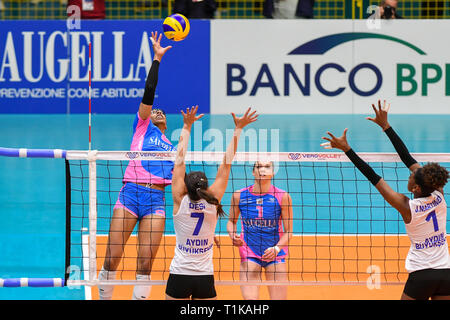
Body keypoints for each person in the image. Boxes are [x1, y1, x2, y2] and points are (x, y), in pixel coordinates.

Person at [321, 100, 450, 300]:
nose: (409, 174)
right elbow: (407, 158)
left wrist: (347, 149)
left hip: (422, 275)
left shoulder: (407, 207)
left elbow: (374, 177)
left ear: (416, 188)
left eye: (410, 177)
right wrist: (386, 127)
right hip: (445, 273)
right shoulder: (438, 194)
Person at [97, 31, 173, 300]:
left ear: (166, 123)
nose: (158, 111)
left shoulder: (173, 150)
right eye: (154, 110)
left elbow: (180, 185)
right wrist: (157, 59)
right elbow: (149, 92)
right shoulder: (142, 128)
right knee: (112, 258)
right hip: (130, 194)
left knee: (145, 265)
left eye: (162, 113)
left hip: (156, 200)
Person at [165, 106, 258, 300]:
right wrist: (239, 128)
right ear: (207, 186)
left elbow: (179, 161)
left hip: (179, 274)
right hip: (204, 276)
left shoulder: (179, 199)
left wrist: (187, 126)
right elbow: (226, 164)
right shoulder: (213, 201)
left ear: (185, 187)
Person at [227, 161, 293, 300]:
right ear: (253, 172)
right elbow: (231, 222)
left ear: (272, 173)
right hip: (249, 252)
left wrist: (276, 248)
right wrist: (232, 235)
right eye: (258, 166)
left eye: (267, 167)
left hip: (275, 253)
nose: (262, 170)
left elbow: (289, 232)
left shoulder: (283, 196)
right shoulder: (239, 195)